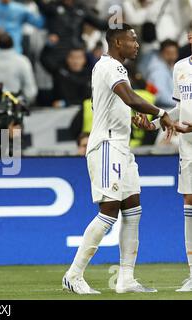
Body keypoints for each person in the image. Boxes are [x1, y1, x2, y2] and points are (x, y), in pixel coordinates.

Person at [62, 23, 174, 294]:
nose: (136, 45)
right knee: (109, 211)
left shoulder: (117, 68)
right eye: (131, 40)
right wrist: (160, 114)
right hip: (107, 147)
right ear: (117, 43)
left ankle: (126, 279)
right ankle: (73, 275)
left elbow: (120, 104)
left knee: (133, 210)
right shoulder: (109, 66)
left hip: (122, 148)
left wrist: (136, 121)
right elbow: (130, 97)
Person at [133, 27, 192, 292]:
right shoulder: (180, 67)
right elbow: (180, 108)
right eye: (190, 34)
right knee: (189, 201)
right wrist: (155, 123)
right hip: (188, 146)